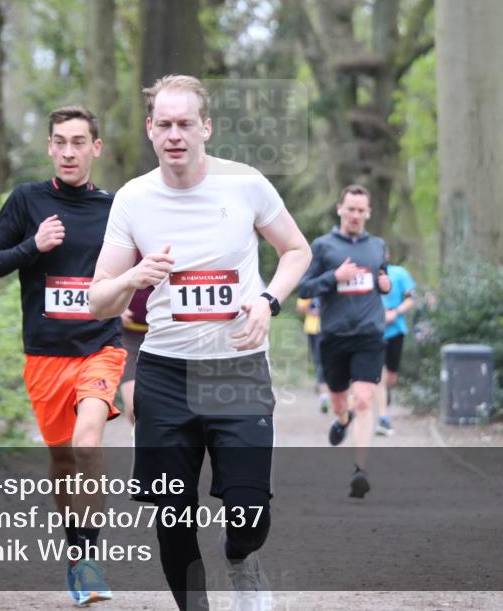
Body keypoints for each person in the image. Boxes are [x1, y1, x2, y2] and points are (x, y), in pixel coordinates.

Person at [88, 75, 311, 611]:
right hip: (166, 375)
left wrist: (267, 302)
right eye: (163, 124)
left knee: (249, 514)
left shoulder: (247, 184)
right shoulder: (134, 200)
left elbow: (296, 251)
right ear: (149, 130)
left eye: (185, 123)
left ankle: (240, 558)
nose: (175, 135)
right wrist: (133, 277)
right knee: (172, 521)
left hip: (236, 370)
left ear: (205, 127)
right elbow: (99, 300)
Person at [0, 105, 126, 607]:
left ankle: (90, 560)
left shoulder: (116, 208)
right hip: (45, 356)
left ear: (95, 148)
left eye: (79, 141)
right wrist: (33, 246)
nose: (69, 151)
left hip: (100, 348)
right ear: (49, 146)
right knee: (65, 460)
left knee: (88, 443)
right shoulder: (27, 201)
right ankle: (75, 554)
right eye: (60, 141)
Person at [297, 184, 391, 498]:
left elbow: (382, 277)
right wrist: (334, 278)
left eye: (360, 210)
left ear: (368, 213)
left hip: (370, 335)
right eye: (350, 209)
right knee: (340, 401)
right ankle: (342, 418)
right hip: (334, 336)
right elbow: (304, 288)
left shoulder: (377, 245)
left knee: (364, 398)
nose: (354, 215)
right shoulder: (323, 246)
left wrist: (385, 283)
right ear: (340, 209)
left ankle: (359, 470)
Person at [377, 254, 416, 436]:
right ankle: (383, 417)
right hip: (373, 332)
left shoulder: (400, 273)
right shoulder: (367, 274)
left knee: (391, 376)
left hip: (396, 330)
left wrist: (395, 312)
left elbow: (411, 298)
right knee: (380, 376)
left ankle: (386, 392)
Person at [118, 282, 152, 428]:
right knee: (133, 406)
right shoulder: (122, 258)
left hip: (166, 336)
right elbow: (101, 280)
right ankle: (138, 433)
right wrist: (115, 306)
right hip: (129, 337)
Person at [295, 297, 329, 413]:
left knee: (326, 361)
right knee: (318, 360)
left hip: (329, 328)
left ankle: (325, 390)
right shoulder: (309, 286)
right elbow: (299, 308)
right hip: (313, 329)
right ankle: (323, 392)